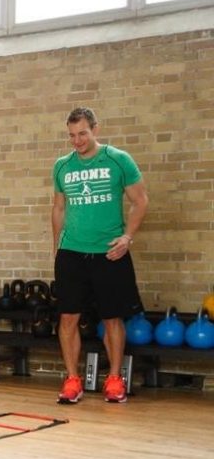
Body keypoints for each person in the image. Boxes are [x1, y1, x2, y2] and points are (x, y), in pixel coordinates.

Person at [52, 106, 148, 404]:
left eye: (82, 133)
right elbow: (58, 208)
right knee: (67, 318)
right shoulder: (62, 166)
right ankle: (72, 380)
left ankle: (115, 379)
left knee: (112, 318)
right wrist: (57, 250)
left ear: (96, 129)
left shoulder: (119, 161)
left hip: (110, 254)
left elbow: (140, 201)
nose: (77, 140)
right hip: (72, 253)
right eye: (72, 135)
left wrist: (127, 237)